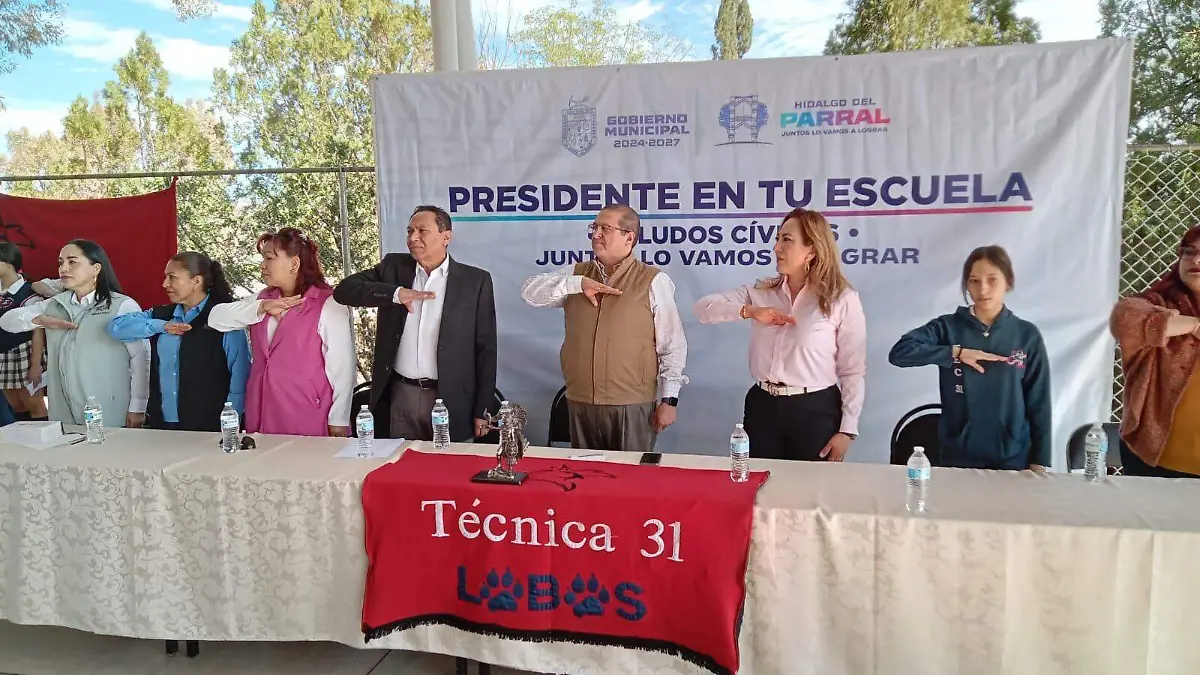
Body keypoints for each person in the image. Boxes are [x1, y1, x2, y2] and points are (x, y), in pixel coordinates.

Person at [694, 208, 866, 462]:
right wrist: (749, 311)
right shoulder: (761, 292)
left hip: (815, 410)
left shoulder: (842, 299)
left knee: (809, 493)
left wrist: (847, 430)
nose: (776, 248)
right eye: (776, 239)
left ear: (812, 249)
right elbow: (703, 309)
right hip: (763, 405)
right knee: (760, 488)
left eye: (786, 239)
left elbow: (852, 370)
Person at [521, 204, 687, 452]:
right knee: (584, 482)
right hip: (580, 401)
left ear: (629, 237)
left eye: (605, 228)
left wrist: (669, 400)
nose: (596, 234)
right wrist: (576, 284)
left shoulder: (653, 280)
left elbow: (672, 345)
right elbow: (530, 293)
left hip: (631, 404)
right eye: (594, 227)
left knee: (629, 482)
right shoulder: (576, 274)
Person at [333, 205, 497, 442]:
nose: (413, 238)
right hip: (401, 395)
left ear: (446, 236)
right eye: (409, 231)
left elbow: (486, 349)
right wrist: (395, 293)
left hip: (452, 399)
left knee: (448, 471)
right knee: (401, 470)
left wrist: (482, 409)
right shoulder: (393, 268)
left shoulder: (475, 281)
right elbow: (344, 291)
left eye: (422, 231)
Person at [889, 245, 1051, 471]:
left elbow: (1039, 402)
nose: (983, 289)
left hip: (1013, 456)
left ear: (1008, 282)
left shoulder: (1026, 335)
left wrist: (1040, 461)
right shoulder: (947, 327)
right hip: (958, 455)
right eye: (974, 281)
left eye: (992, 279)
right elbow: (899, 353)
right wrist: (955, 353)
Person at [208, 228, 355, 437]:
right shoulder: (264, 297)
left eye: (269, 258)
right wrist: (262, 307)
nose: (262, 266)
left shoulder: (328, 304)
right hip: (260, 411)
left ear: (294, 263)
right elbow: (216, 319)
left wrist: (339, 419)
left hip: (307, 412)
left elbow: (342, 368)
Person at [0, 240, 150, 428]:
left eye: (72, 262)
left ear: (95, 268)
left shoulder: (121, 306)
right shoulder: (54, 304)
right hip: (63, 410)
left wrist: (138, 407)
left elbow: (140, 357)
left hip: (107, 407)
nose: (64, 268)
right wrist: (40, 319)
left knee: (110, 455)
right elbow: (6, 321)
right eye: (61, 262)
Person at [107, 252, 251, 431]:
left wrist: (230, 424)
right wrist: (161, 326)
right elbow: (116, 328)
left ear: (196, 281)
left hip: (209, 428)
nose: (165, 284)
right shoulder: (162, 315)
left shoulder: (224, 320)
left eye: (172, 277)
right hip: (162, 425)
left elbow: (239, 381)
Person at [1110, 224, 1200, 477]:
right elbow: (1125, 319)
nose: (1196, 259)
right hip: (1157, 462)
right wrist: (1193, 326)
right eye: (1188, 251)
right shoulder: (1157, 304)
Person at [0, 242, 48, 421]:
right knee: (15, 404)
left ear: (9, 263)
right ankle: (24, 441)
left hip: (23, 351)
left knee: (34, 404)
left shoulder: (28, 292)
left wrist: (35, 365)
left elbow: (38, 330)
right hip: (3, 353)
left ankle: (43, 441)